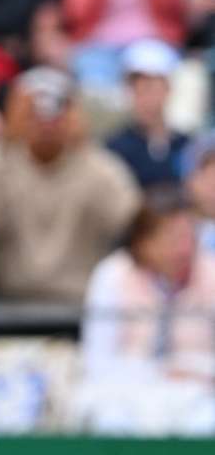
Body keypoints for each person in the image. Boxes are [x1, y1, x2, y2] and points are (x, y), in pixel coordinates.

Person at [0, 67, 141, 303]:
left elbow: (131, 220)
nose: (46, 121)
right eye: (33, 110)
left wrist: (82, 138)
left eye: (58, 108)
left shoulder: (98, 167)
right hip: (7, 305)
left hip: (80, 305)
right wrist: (6, 138)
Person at [76, 186, 215, 435]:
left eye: (188, 237)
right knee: (111, 421)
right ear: (143, 242)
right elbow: (97, 362)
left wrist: (189, 371)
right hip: (126, 395)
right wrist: (156, 373)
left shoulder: (211, 273)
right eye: (172, 238)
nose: (183, 249)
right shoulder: (112, 276)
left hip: (198, 395)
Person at [105, 39, 189, 188]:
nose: (145, 99)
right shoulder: (114, 148)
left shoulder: (187, 145)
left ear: (168, 90)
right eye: (137, 90)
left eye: (151, 89)